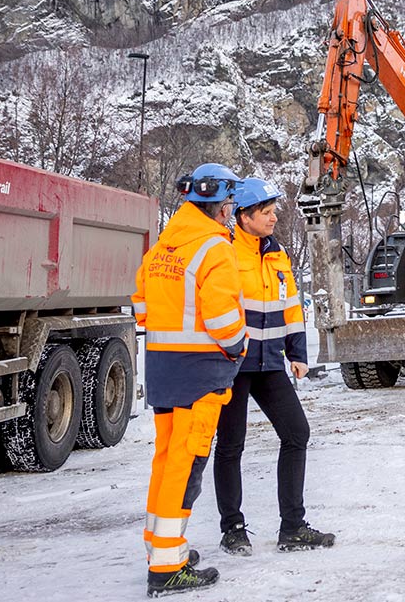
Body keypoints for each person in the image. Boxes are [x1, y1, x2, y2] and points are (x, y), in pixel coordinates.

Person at [134, 163, 247, 597]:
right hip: (200, 372)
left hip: (164, 368)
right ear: (217, 204)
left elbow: (141, 304)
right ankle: (167, 567)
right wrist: (237, 346)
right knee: (187, 465)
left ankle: (161, 547)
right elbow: (222, 318)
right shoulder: (214, 249)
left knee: (166, 460)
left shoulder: (165, 246)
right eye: (228, 202)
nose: (230, 211)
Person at [214, 177, 336, 555]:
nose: (273, 217)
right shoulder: (224, 251)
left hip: (269, 364)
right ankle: (233, 529)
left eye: (272, 211)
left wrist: (297, 352)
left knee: (297, 433)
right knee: (231, 445)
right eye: (266, 212)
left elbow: (290, 307)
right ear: (244, 216)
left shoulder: (277, 253)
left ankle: (293, 527)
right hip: (232, 365)